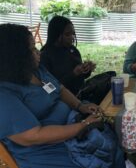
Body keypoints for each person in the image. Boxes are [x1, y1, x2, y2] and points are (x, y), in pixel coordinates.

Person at [0, 23, 107, 168]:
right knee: (94, 159)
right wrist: (83, 125)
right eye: (31, 49)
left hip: (68, 126)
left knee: (106, 135)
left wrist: (81, 106)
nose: (38, 52)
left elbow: (60, 89)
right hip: (43, 150)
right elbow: (33, 136)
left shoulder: (34, 70)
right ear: (13, 56)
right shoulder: (5, 94)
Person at [40, 15, 96, 96]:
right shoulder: (45, 55)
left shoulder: (72, 50)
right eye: (67, 34)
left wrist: (86, 69)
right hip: (64, 99)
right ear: (57, 35)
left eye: (73, 34)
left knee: (109, 78)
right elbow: (49, 88)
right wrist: (73, 74)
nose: (72, 37)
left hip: (82, 91)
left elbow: (81, 77)